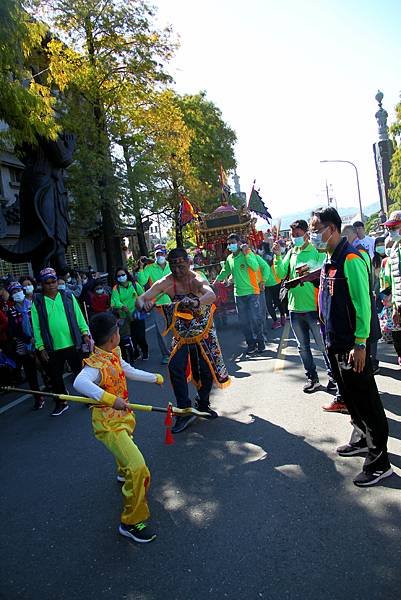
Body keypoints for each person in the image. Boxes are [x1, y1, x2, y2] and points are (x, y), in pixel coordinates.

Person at [310, 206, 392, 487]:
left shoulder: (351, 259)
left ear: (331, 229)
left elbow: (363, 304)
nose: (313, 236)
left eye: (315, 230)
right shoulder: (329, 260)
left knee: (367, 401)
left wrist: (360, 344)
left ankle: (380, 462)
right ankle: (360, 438)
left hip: (351, 344)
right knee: (350, 399)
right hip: (335, 342)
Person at [73, 312, 163, 543]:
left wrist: (154, 377)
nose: (119, 334)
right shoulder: (94, 365)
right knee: (139, 468)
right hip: (108, 424)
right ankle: (131, 522)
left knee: (126, 450)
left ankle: (123, 473)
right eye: (117, 331)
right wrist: (110, 399)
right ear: (113, 336)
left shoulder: (114, 353)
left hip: (122, 417)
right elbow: (79, 382)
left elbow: (128, 371)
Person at [136, 247, 230, 434]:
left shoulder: (196, 278)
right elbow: (141, 298)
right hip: (181, 333)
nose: (178, 270)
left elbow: (210, 295)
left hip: (204, 331)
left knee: (206, 368)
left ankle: (203, 403)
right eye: (173, 266)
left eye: (181, 265)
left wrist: (196, 302)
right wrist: (144, 304)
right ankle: (184, 410)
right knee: (174, 366)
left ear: (188, 262)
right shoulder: (167, 282)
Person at [272, 220, 332, 393]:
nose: (295, 238)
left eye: (298, 235)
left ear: (306, 233)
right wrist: (277, 256)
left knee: (323, 346)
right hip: (294, 308)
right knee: (303, 348)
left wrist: (308, 269)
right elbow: (281, 274)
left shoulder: (316, 250)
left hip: (314, 307)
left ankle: (333, 378)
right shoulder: (291, 252)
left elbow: (322, 270)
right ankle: (312, 378)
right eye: (293, 235)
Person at [31, 267, 90, 416]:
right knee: (55, 377)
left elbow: (79, 316)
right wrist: (40, 347)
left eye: (53, 281)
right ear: (42, 285)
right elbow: (36, 327)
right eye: (47, 282)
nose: (51, 284)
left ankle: (89, 397)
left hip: (72, 343)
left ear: (57, 281)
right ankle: (62, 402)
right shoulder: (37, 302)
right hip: (51, 347)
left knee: (79, 373)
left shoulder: (68, 296)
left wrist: (85, 333)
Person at [341, 225, 381, 375]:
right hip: (367, 296)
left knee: (369, 336)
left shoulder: (356, 253)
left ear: (350, 236)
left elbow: (366, 278)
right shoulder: (356, 251)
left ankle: (373, 362)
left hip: (366, 297)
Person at [215, 233, 265, 354]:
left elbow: (255, 266)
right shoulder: (229, 258)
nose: (230, 245)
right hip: (239, 294)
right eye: (229, 243)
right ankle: (251, 344)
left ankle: (260, 342)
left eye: (233, 243)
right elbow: (225, 270)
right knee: (244, 322)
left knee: (255, 319)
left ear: (239, 243)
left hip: (252, 292)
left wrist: (247, 253)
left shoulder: (247, 254)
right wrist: (217, 280)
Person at [6, 282, 45, 410]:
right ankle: (38, 398)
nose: (17, 293)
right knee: (31, 375)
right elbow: (14, 330)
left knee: (46, 367)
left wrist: (36, 337)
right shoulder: (11, 311)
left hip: (39, 342)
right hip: (24, 346)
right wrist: (28, 339)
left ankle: (56, 392)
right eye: (14, 292)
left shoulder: (32, 305)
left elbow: (39, 321)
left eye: (18, 290)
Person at [137, 245, 171, 364]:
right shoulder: (150, 267)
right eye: (157, 254)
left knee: (176, 328)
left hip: (173, 302)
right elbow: (142, 281)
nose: (160, 256)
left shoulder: (171, 265)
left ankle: (178, 350)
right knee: (161, 332)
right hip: (157, 304)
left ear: (165, 254)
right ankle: (166, 355)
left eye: (162, 253)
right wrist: (141, 267)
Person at [111, 267, 148, 360]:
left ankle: (145, 351)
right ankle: (135, 353)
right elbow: (114, 301)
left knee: (140, 336)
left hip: (137, 315)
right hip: (125, 317)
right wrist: (122, 306)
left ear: (127, 275)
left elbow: (143, 295)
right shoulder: (116, 288)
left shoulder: (134, 285)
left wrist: (141, 304)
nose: (121, 277)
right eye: (119, 276)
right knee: (131, 337)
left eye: (123, 275)